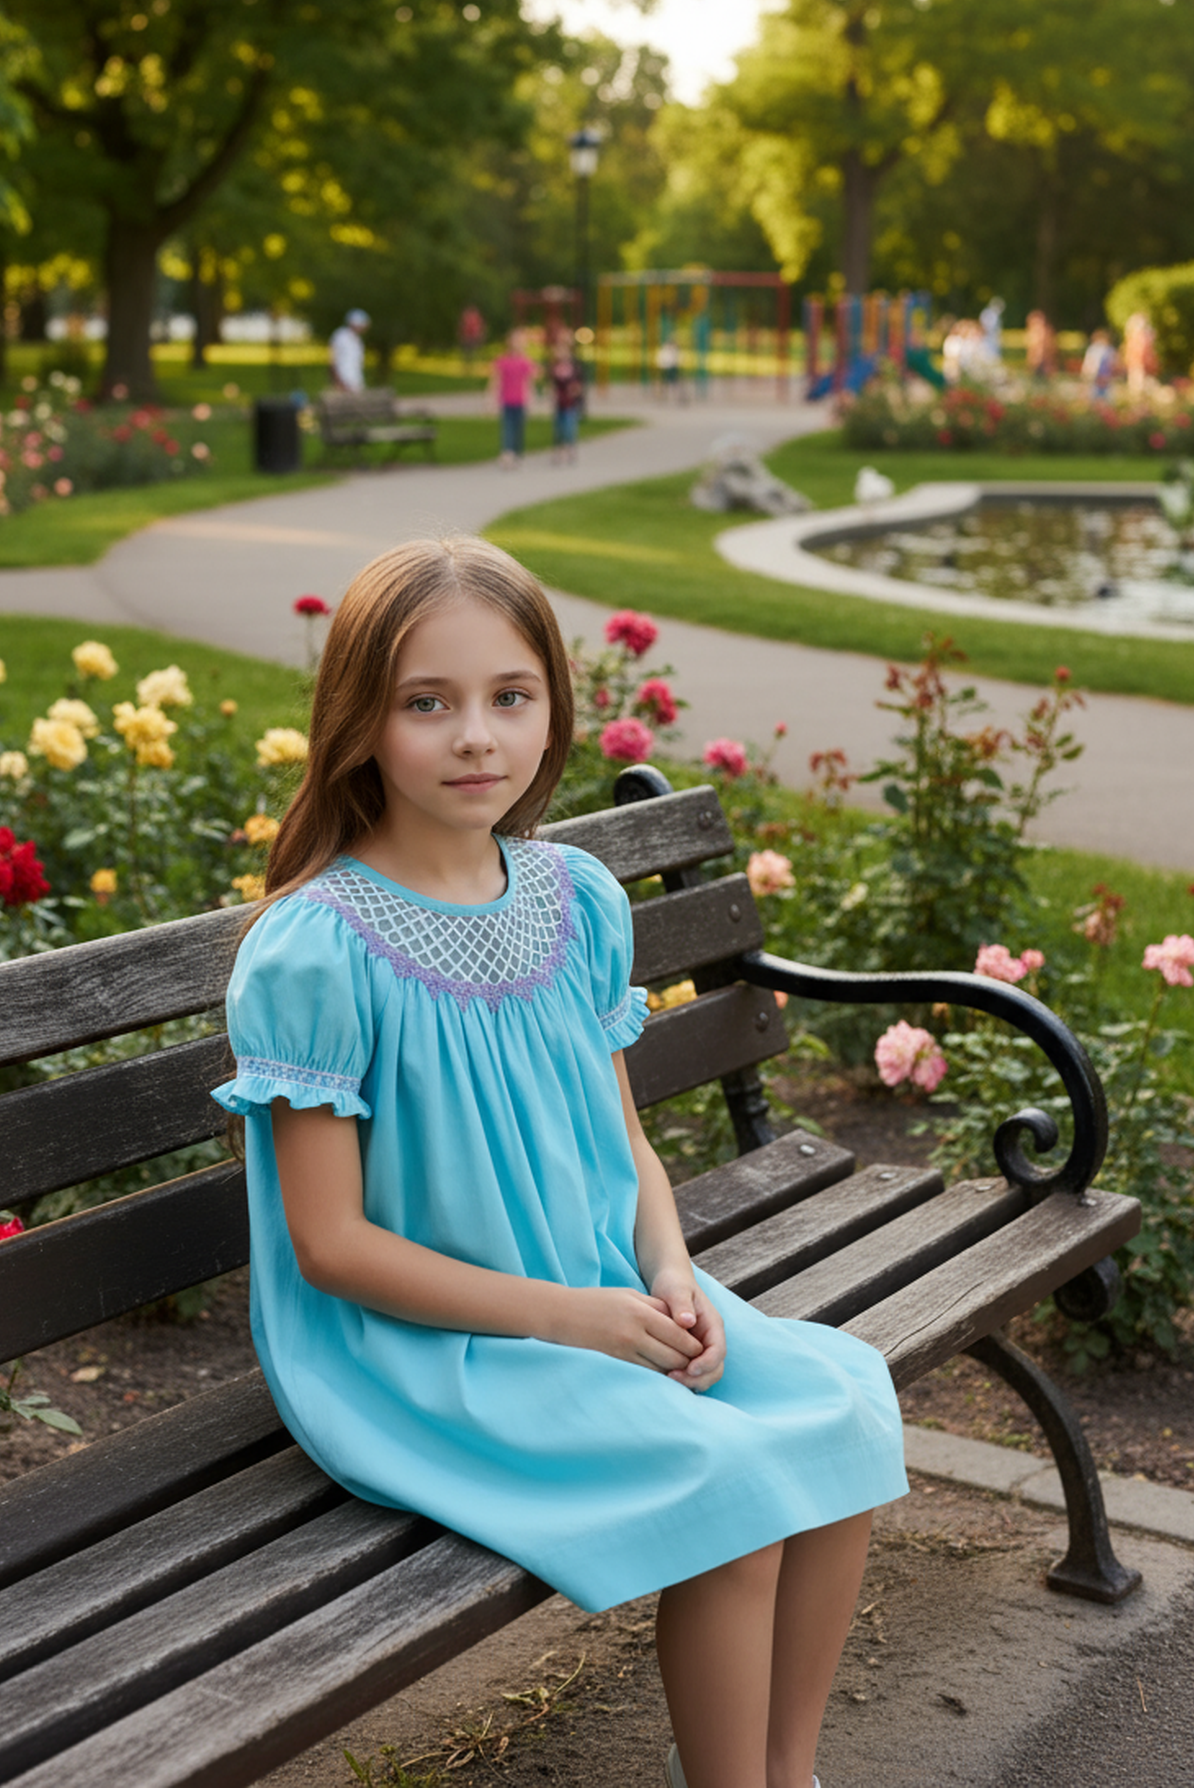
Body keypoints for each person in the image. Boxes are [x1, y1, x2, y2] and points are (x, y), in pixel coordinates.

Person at [214, 536, 908, 1788]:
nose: (475, 733)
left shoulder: (573, 898)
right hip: (431, 1346)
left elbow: (624, 1138)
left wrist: (670, 1265)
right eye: (428, 702)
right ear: (359, 721)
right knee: (732, 1494)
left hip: (598, 1287)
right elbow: (332, 1245)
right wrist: (575, 1319)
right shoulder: (315, 951)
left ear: (553, 709)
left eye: (509, 696)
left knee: (842, 1404)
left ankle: (790, 1770)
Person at [490, 329, 536, 467]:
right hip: (506, 400)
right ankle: (507, 453)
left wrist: (531, 400)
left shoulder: (525, 362)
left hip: (520, 400)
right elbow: (496, 380)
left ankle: (516, 452)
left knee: (518, 428)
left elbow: (529, 382)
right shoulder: (502, 361)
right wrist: (491, 399)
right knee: (508, 428)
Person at [548, 331, 583, 465]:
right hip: (559, 402)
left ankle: (570, 448)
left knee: (569, 428)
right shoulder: (555, 368)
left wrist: (575, 391)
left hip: (570, 403)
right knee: (559, 428)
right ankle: (560, 450)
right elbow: (552, 384)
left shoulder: (574, 368)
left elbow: (578, 385)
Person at [329, 308, 370, 393]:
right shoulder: (340, 336)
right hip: (344, 382)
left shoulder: (357, 340)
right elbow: (332, 360)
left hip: (356, 382)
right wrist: (338, 381)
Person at [1080, 326, 1118, 400]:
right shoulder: (1096, 349)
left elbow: (1113, 364)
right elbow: (1089, 364)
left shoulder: (1108, 350)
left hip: (1104, 378)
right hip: (1098, 378)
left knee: (1102, 397)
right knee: (1096, 396)